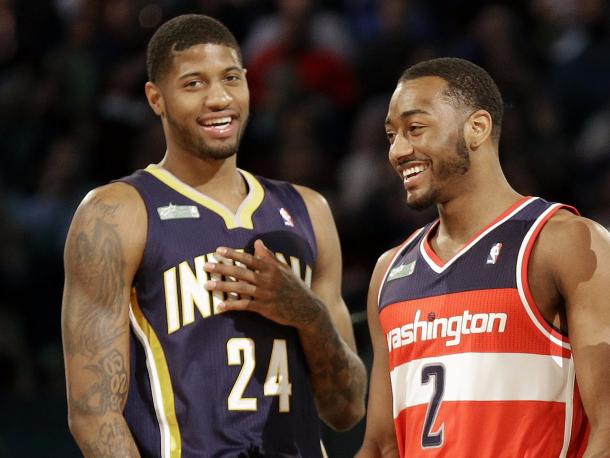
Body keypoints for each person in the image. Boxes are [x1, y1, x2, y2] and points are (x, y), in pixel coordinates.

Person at [61, 14, 366, 458]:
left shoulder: (309, 211)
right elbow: (93, 414)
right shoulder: (116, 212)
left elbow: (347, 409)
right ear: (156, 98)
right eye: (193, 84)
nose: (219, 98)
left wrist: (309, 314)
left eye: (231, 79)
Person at [356, 57, 610, 457]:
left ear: (477, 128)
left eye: (415, 128)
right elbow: (380, 446)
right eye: (391, 136)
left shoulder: (562, 242)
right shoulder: (390, 272)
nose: (398, 151)